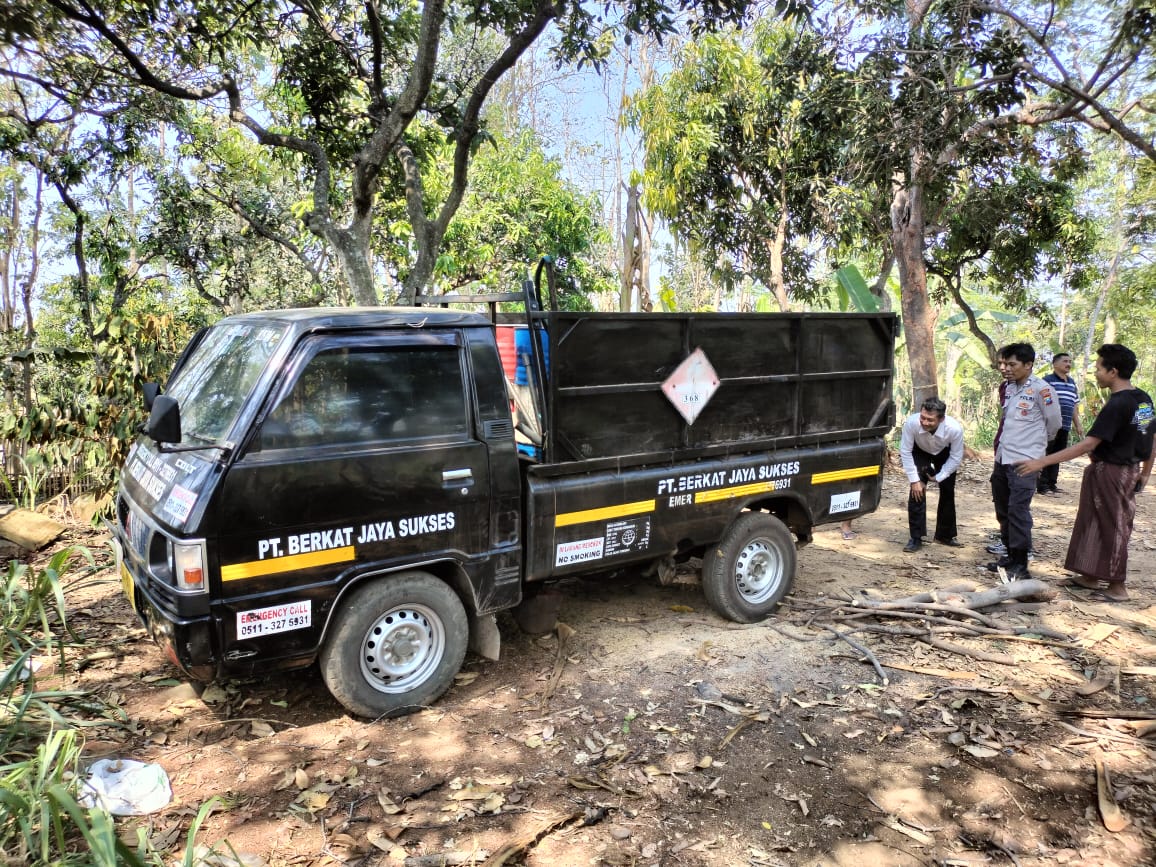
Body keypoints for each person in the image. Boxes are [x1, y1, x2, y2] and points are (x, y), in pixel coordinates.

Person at [1016, 344, 1154, 601]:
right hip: (1120, 470)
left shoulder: (1118, 404)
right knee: (1092, 520)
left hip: (1113, 471)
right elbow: (1150, 435)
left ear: (1113, 371)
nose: (1095, 373)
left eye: (1099, 368)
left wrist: (1040, 462)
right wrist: (1145, 471)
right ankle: (1090, 575)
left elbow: (1088, 444)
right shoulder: (1143, 399)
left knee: (1114, 525)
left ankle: (1117, 587)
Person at [988, 343, 1062, 581]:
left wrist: (1036, 449)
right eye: (1003, 364)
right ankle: (1009, 555)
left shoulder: (1042, 390)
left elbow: (1055, 425)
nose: (1005, 368)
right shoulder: (1008, 388)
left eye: (1011, 364)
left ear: (1028, 365)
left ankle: (1021, 562)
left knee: (1018, 510)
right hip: (1003, 457)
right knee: (1003, 509)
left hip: (1025, 461)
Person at [900, 398, 966, 552]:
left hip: (944, 452)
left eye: (930, 420)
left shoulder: (954, 429)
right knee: (917, 491)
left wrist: (940, 476)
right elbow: (905, 451)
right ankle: (916, 537)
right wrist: (914, 480)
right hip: (919, 451)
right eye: (922, 417)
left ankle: (945, 535)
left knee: (948, 491)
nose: (925, 422)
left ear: (941, 419)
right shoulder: (911, 423)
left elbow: (956, 457)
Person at [1037, 351, 1085, 495]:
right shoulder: (1047, 380)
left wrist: (1078, 425)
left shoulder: (1071, 383)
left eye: (1070, 362)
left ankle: (1052, 484)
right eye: (1065, 361)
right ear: (1055, 364)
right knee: (1046, 453)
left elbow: (1074, 406)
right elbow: (1043, 401)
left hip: (1064, 426)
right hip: (1049, 426)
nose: (1068, 364)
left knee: (1058, 455)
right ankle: (1042, 485)